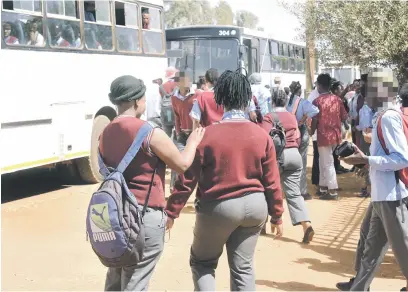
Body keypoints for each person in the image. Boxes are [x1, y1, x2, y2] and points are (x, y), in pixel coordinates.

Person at [165, 69, 284, 291]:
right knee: (244, 268)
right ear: (247, 98)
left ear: (220, 98)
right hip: (256, 208)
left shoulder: (206, 135)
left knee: (203, 263)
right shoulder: (262, 135)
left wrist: (172, 211)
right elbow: (272, 181)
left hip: (218, 207)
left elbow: (187, 179)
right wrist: (277, 215)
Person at [99, 75, 205, 291]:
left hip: (114, 214)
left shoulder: (104, 133)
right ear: (138, 101)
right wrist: (193, 141)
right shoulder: (149, 132)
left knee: (114, 279)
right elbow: (183, 165)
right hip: (143, 216)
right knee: (135, 281)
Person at [340, 73, 408, 292]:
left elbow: (401, 158)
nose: (365, 94)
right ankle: (358, 288)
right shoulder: (382, 116)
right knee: (370, 248)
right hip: (381, 195)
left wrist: (366, 159)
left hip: (391, 197)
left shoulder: (388, 117)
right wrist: (365, 159)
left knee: (403, 251)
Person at [261, 88, 314, 243]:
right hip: (294, 155)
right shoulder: (292, 117)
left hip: (277, 156)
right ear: (285, 101)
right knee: (294, 193)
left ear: (272, 100)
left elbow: (264, 139)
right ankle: (306, 225)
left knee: (267, 189)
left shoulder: (269, 117)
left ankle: (262, 225)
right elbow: (297, 136)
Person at [311, 73, 348, 200]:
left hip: (323, 135)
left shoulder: (317, 101)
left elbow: (314, 120)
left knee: (327, 162)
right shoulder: (337, 99)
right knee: (324, 161)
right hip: (336, 135)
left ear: (320, 85)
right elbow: (344, 117)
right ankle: (323, 187)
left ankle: (332, 191)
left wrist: (311, 131)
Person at [286, 81, 319, 201]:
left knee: (288, 162)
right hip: (301, 132)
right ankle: (302, 191)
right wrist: (305, 117)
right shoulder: (302, 102)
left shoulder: (286, 101)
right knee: (302, 162)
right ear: (300, 91)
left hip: (288, 134)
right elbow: (315, 111)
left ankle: (290, 189)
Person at [170, 71, 195, 189]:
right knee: (177, 159)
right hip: (182, 134)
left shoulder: (197, 95)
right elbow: (176, 116)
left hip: (194, 134)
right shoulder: (174, 98)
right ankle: (174, 186)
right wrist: (179, 132)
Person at [331, 80, 351, 175]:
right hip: (335, 127)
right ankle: (336, 167)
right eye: (340, 89)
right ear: (335, 91)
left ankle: (338, 166)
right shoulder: (335, 99)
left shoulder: (341, 99)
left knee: (338, 147)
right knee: (335, 149)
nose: (342, 90)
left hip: (340, 125)